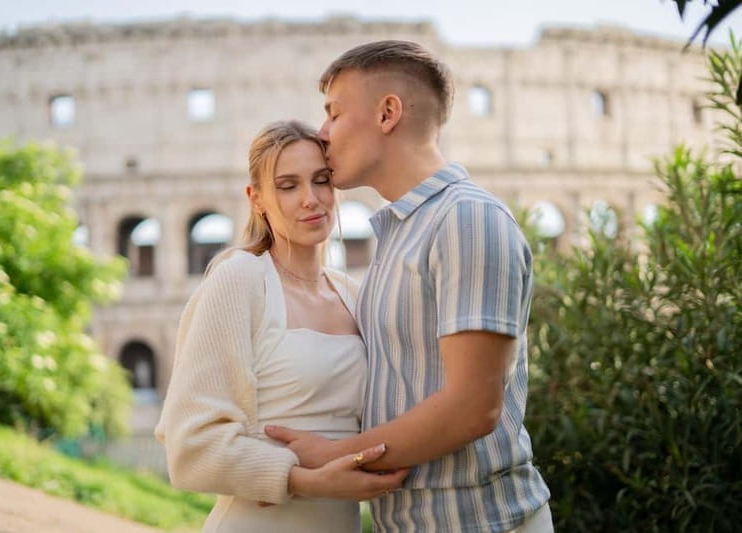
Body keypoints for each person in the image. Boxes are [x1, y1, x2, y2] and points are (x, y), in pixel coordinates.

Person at [265, 41, 553, 532]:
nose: (323, 132)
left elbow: (472, 407)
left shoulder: (466, 219)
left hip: (482, 521)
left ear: (388, 113)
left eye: (334, 112)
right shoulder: (401, 234)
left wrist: (335, 456)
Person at [155, 120, 408, 533]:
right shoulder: (240, 279)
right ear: (257, 200)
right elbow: (189, 449)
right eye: (288, 186)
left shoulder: (354, 293)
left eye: (321, 181)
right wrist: (305, 480)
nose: (311, 199)